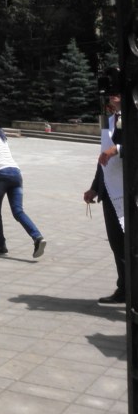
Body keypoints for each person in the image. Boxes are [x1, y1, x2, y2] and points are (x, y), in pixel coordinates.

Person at [0, 108, 46, 258]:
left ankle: (0, 245)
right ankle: (37, 237)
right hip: (16, 173)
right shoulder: (0, 134)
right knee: (18, 211)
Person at [83, 93, 125, 304]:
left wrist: (117, 149)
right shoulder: (109, 123)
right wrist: (94, 188)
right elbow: (103, 158)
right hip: (110, 191)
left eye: (116, 94)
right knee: (117, 244)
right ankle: (125, 289)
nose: (111, 97)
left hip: (130, 190)